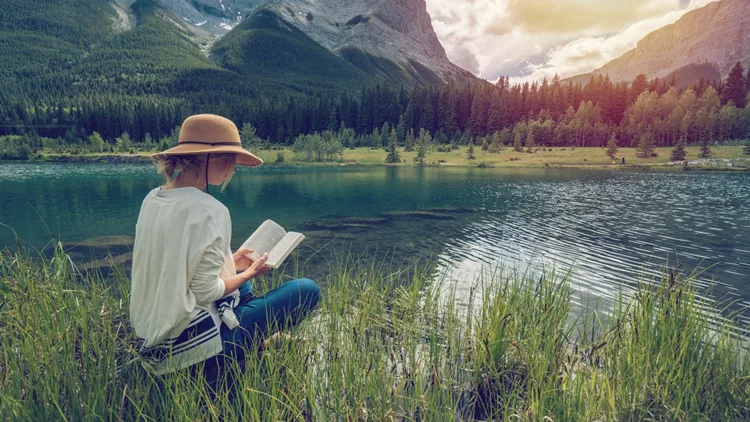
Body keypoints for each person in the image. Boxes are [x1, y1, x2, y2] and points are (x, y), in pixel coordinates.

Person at [129, 114, 320, 376]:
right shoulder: (210, 211)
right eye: (232, 160)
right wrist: (251, 272)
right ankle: (246, 341)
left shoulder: (152, 199)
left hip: (151, 339)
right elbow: (206, 293)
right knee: (307, 290)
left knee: (235, 270)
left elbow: (174, 262)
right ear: (210, 158)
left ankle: (260, 338)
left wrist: (232, 260)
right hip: (189, 349)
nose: (234, 168)